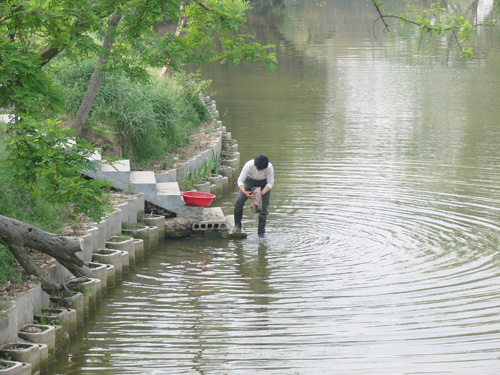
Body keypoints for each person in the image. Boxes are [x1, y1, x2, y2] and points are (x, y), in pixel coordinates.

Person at [232, 154, 274, 237]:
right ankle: (237, 226)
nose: (258, 170)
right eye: (257, 168)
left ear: (265, 167)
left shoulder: (269, 168)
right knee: (238, 203)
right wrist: (244, 192)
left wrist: (261, 193)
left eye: (261, 169)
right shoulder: (249, 165)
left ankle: (261, 233)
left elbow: (270, 183)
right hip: (249, 182)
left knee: (263, 209)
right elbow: (240, 180)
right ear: (255, 165)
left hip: (264, 185)